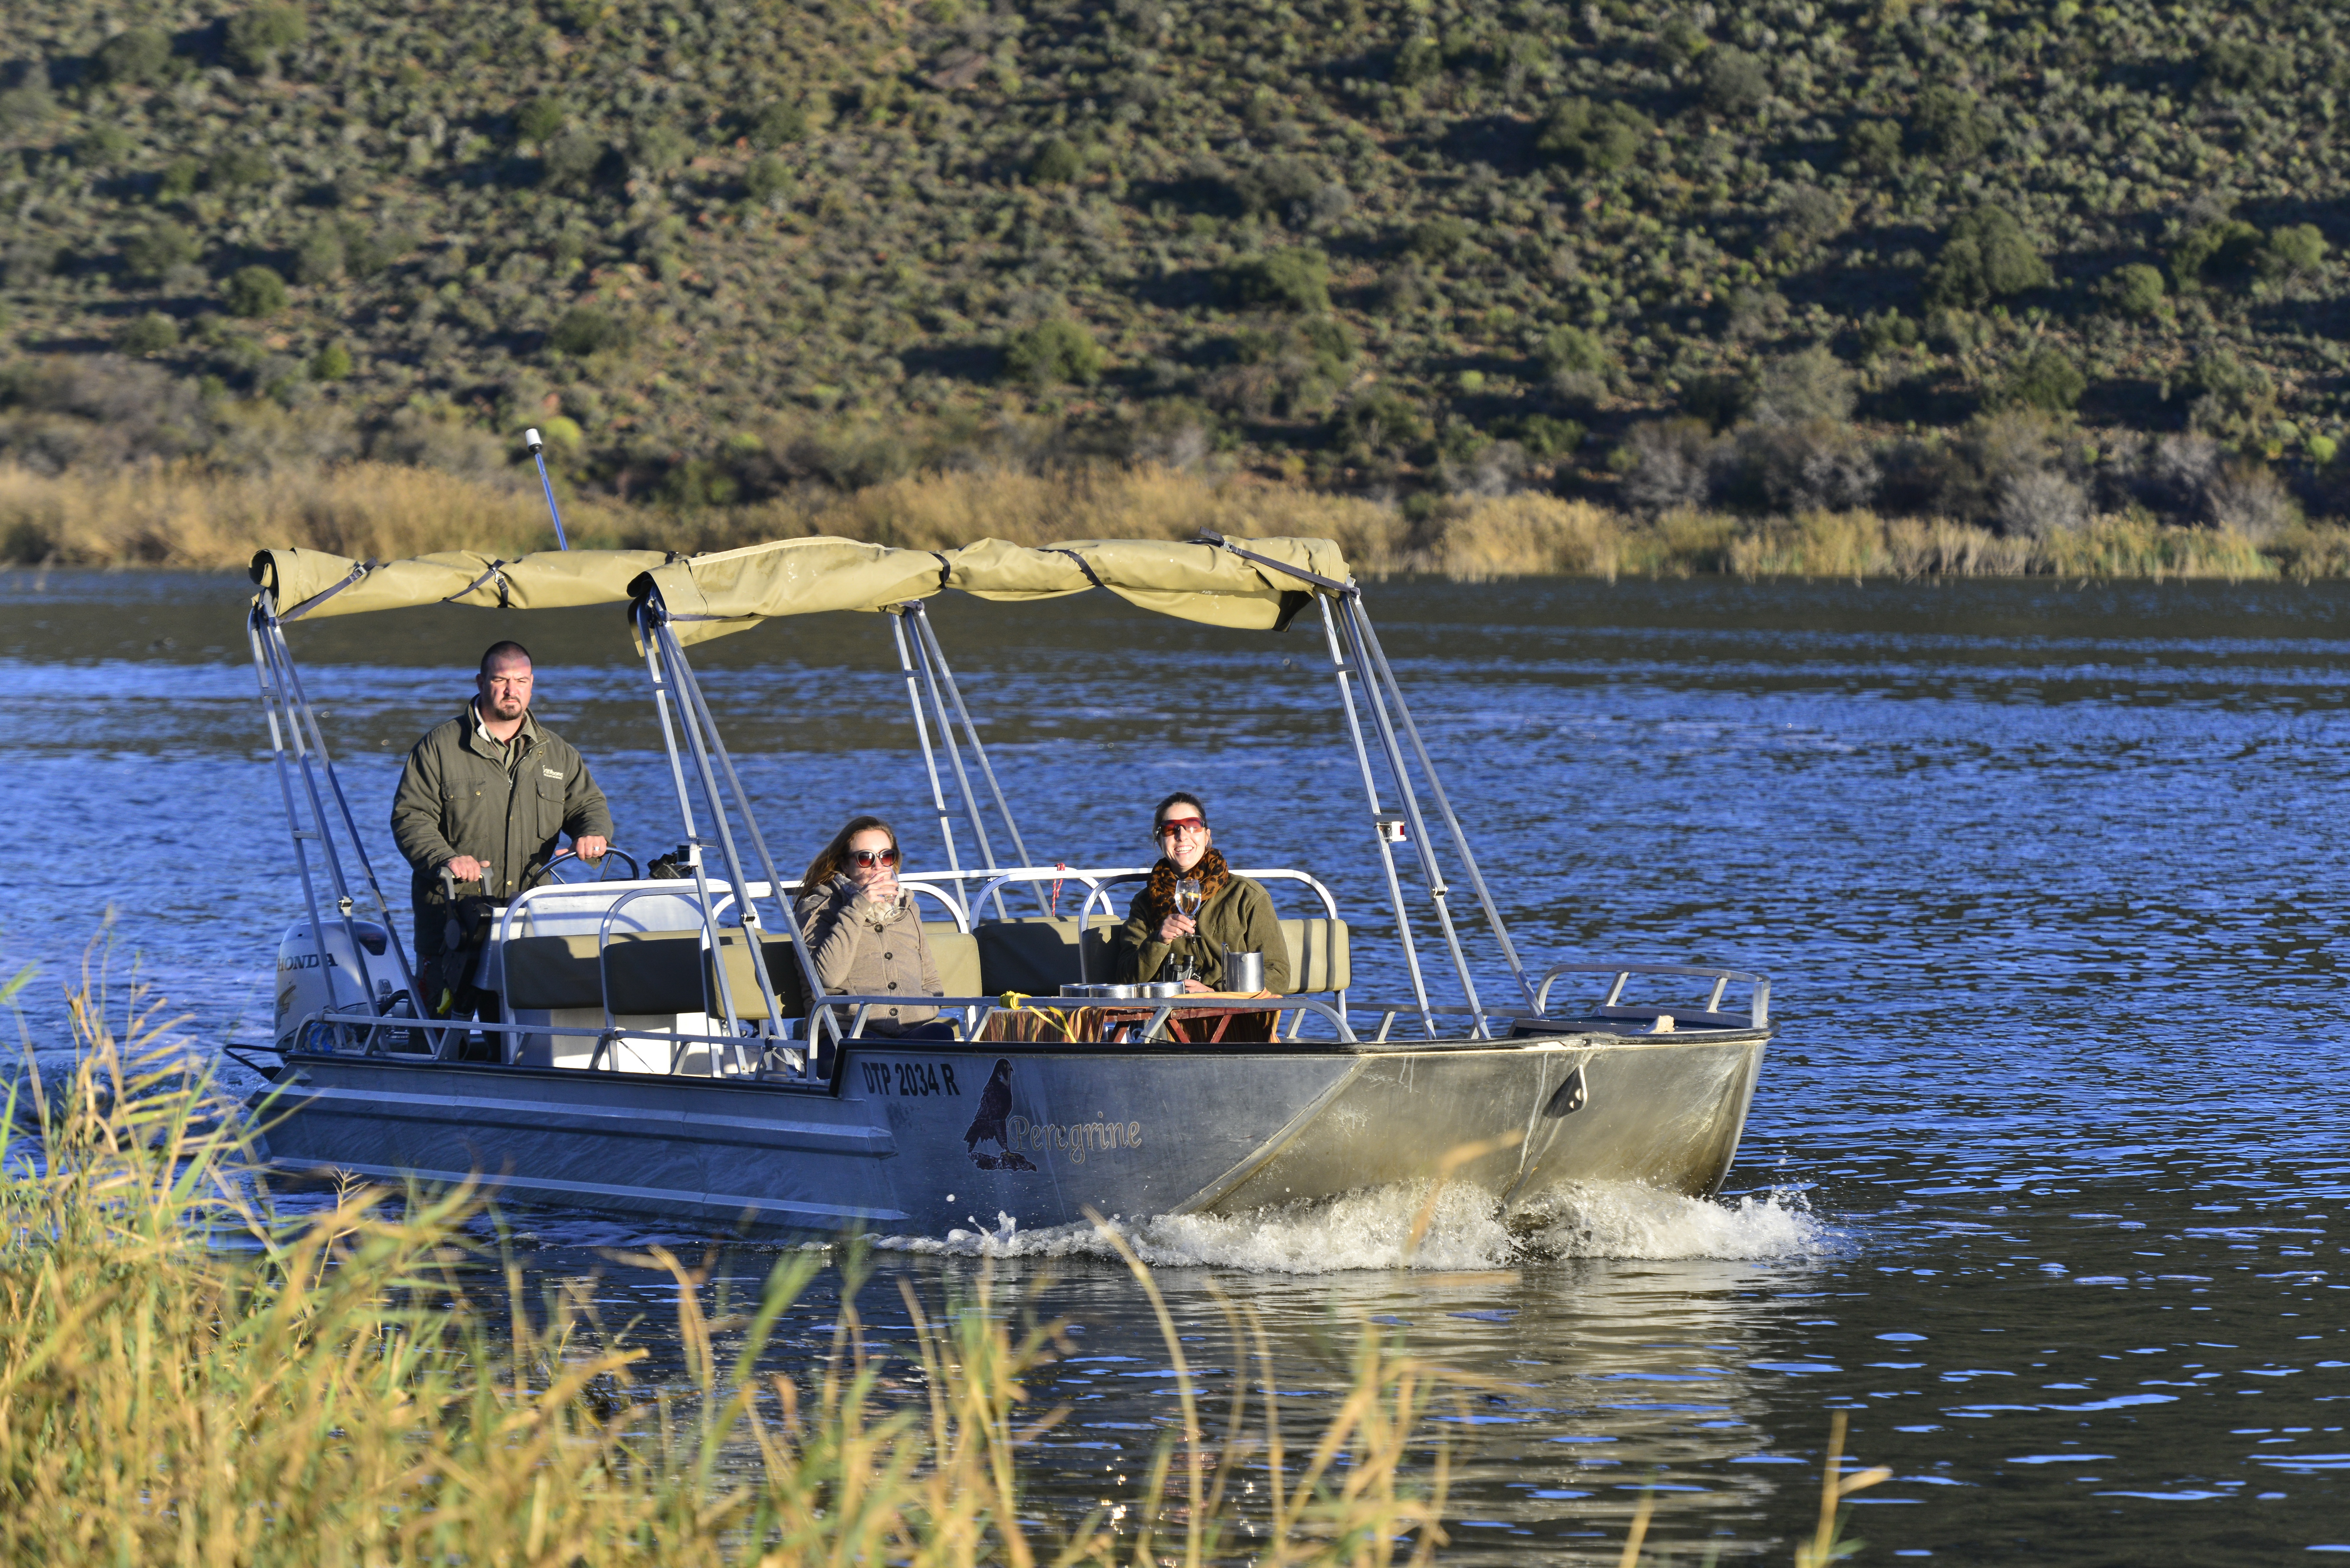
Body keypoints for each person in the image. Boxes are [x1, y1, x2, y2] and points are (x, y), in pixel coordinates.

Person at [390, 641, 613, 1021]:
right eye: (501, 679)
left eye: (521, 680)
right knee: (436, 1034)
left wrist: (592, 833)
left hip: (527, 923)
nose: (512, 690)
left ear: (532, 684)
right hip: (452, 924)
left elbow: (588, 807)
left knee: (519, 1033)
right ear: (481, 682)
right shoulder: (439, 747)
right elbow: (410, 818)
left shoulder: (558, 753)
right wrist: (446, 858)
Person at [1110, 791, 1292, 994]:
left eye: (1193, 826)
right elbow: (1126, 981)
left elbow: (1278, 974)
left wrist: (1217, 993)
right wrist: (1158, 941)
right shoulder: (1144, 903)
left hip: (1235, 1017)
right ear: (1160, 841)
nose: (1182, 835)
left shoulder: (1246, 896)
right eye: (1170, 829)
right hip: (1168, 1016)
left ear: (1207, 836)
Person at [796, 816, 949, 1038]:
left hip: (907, 1031)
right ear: (844, 864)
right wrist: (858, 906)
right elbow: (828, 978)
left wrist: (919, 1012)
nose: (878, 866)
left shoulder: (908, 909)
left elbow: (932, 981)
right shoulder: (817, 908)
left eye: (886, 857)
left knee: (940, 1034)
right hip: (845, 1032)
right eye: (866, 858)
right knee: (866, 1047)